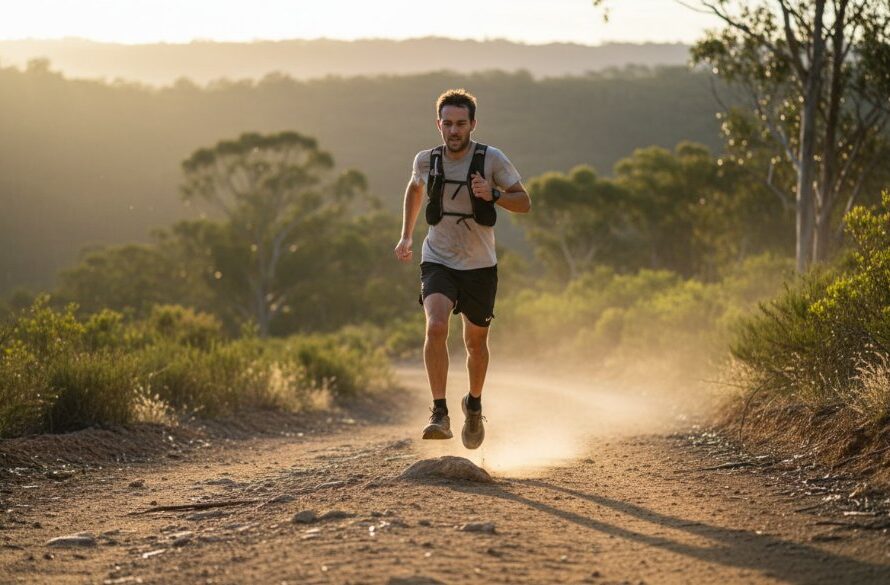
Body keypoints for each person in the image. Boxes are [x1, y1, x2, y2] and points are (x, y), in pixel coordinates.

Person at [393, 88, 531, 449]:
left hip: (480, 265)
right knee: (436, 325)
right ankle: (439, 411)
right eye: (448, 124)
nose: (454, 131)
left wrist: (494, 194)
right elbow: (414, 188)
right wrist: (406, 236)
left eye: (461, 124)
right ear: (438, 124)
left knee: (475, 343)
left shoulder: (492, 159)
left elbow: (525, 202)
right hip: (437, 257)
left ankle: (473, 404)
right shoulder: (426, 160)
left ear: (473, 124)